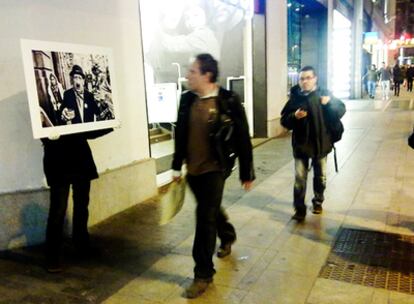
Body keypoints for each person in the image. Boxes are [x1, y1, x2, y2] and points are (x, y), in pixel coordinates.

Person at [172, 53, 255, 298]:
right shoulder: (187, 99)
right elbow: (181, 134)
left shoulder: (228, 100)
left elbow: (242, 136)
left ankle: (203, 274)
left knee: (204, 218)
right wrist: (176, 165)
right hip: (193, 169)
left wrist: (246, 171)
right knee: (211, 210)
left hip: (215, 169)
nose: (188, 76)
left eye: (192, 72)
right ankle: (227, 235)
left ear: (207, 75)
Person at [42, 128, 112, 273]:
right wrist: (50, 136)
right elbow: (42, 130)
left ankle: (81, 244)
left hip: (80, 159)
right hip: (58, 160)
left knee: (81, 205)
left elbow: (86, 130)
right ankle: (52, 256)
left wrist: (109, 124)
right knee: (58, 210)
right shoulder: (43, 105)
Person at [281, 66, 346, 222]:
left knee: (320, 177)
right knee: (299, 179)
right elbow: (284, 120)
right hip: (301, 146)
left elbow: (341, 110)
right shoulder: (295, 98)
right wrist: (294, 116)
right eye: (302, 78)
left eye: (308, 77)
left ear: (315, 78)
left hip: (321, 145)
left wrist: (329, 103)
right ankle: (299, 209)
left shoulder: (325, 94)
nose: (305, 81)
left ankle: (318, 202)